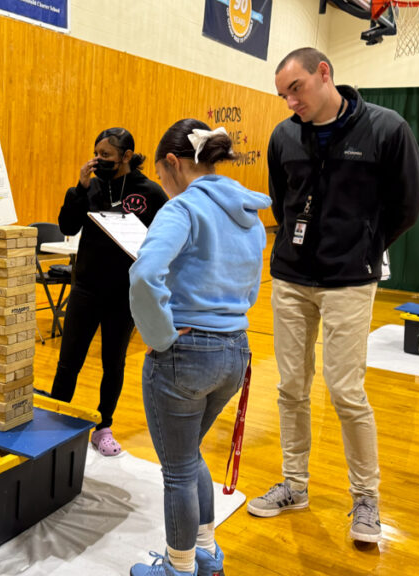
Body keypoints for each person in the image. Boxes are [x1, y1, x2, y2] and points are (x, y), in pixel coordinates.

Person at [247, 47, 419, 544]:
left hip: (350, 280)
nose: (289, 102)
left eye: (296, 89)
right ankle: (294, 486)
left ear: (324, 74)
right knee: (290, 389)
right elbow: (283, 200)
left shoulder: (387, 129)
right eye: (282, 94)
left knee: (346, 392)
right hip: (290, 279)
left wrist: (365, 247)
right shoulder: (284, 136)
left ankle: (366, 499)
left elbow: (407, 204)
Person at [128, 119, 270, 576]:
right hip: (236, 351)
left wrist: (160, 336)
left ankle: (178, 566)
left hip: (186, 355)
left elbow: (146, 274)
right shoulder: (248, 212)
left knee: (177, 471)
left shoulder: (182, 209)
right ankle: (206, 554)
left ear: (172, 163)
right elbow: (250, 288)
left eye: (162, 175)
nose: (163, 186)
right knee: (189, 456)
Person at [50, 127, 167, 456]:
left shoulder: (151, 193)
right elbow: (67, 226)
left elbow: (164, 240)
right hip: (86, 288)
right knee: (69, 360)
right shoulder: (91, 186)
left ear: (126, 156)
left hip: (124, 294)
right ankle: (54, 421)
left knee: (113, 364)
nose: (98, 160)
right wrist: (79, 188)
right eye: (96, 153)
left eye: (106, 155)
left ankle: (103, 427)